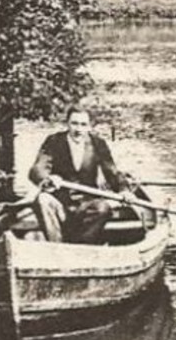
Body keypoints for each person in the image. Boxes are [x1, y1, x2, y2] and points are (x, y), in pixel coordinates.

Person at [28, 104, 138, 243]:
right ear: (67, 123)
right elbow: (37, 169)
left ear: (89, 127)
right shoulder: (54, 141)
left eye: (83, 124)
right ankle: (56, 247)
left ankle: (82, 248)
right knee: (42, 200)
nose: (78, 129)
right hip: (60, 203)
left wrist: (124, 190)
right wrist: (48, 178)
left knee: (103, 208)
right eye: (74, 124)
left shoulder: (98, 144)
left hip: (87, 204)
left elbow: (112, 172)